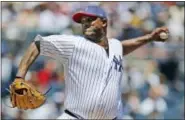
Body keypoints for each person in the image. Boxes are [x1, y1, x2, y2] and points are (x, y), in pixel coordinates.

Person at [13, 5, 169, 119]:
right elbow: (38, 44)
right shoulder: (74, 44)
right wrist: (19, 78)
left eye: (90, 19)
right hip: (75, 117)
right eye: (83, 21)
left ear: (104, 22)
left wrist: (149, 38)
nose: (85, 23)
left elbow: (123, 47)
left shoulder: (115, 45)